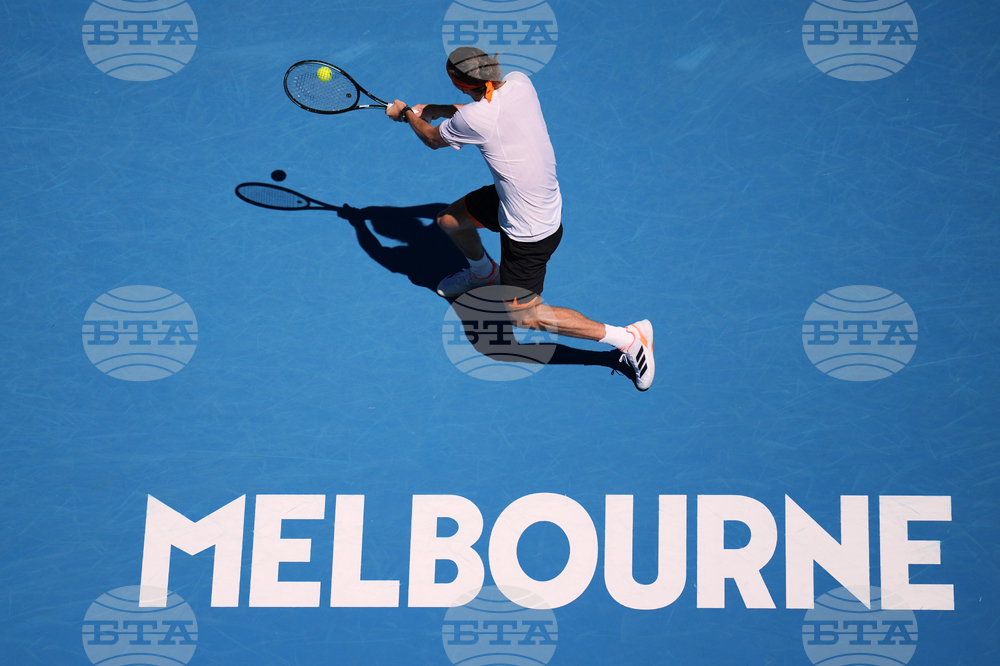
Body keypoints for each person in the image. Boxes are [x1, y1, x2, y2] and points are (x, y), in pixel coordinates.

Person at [386, 47, 655, 391]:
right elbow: (479, 111)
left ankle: (628, 339)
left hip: (530, 230)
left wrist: (407, 113)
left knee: (525, 316)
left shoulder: (474, 119)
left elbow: (432, 137)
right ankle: (484, 273)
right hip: (518, 198)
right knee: (450, 221)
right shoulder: (518, 82)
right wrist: (438, 109)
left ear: (459, 84)